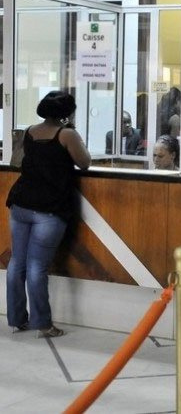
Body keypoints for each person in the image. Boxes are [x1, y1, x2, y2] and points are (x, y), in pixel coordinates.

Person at [5, 91, 91, 337]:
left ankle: (17, 318)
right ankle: (43, 324)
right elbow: (84, 162)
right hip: (49, 208)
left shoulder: (30, 131)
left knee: (17, 263)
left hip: (21, 203)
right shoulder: (67, 134)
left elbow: (21, 161)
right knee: (36, 266)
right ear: (66, 112)